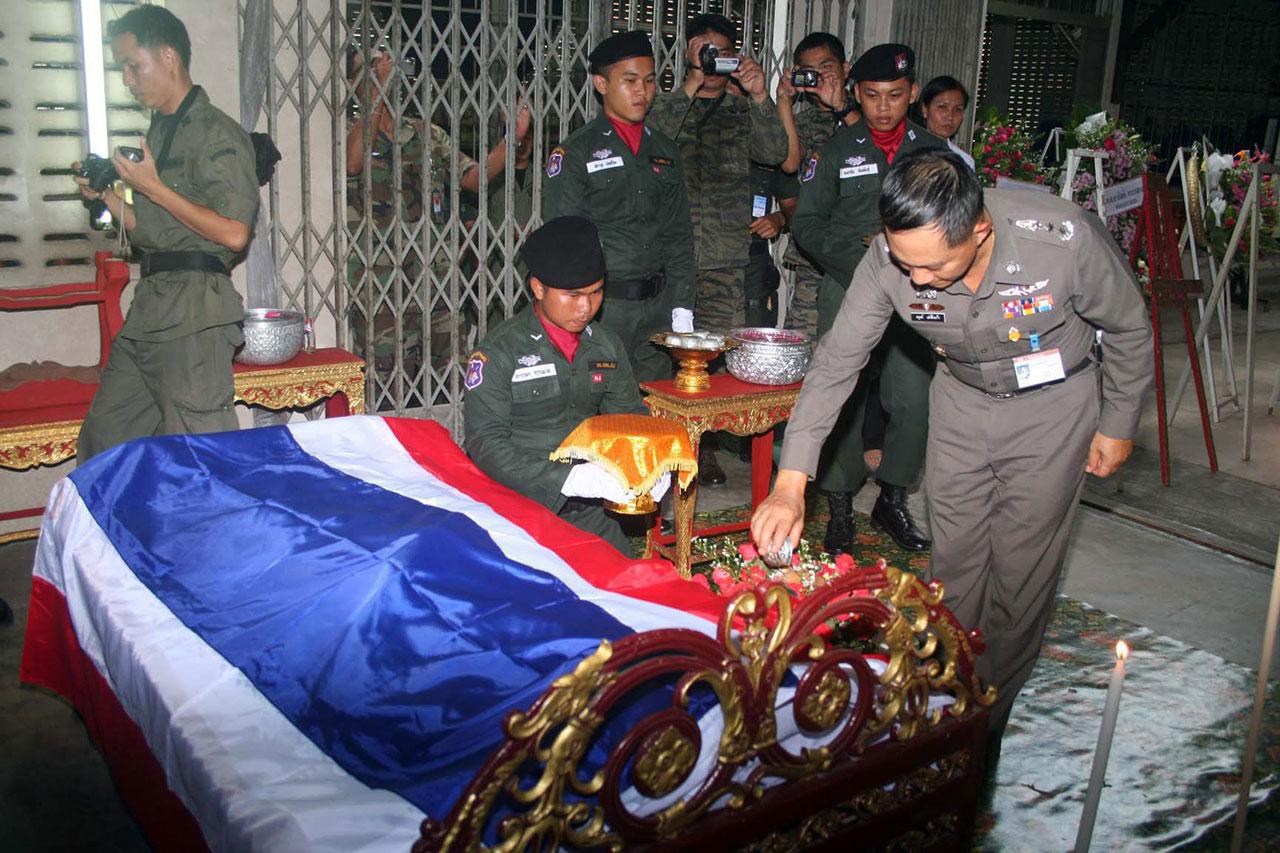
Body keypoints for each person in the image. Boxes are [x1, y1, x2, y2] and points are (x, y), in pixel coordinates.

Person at [752, 148, 1153, 763]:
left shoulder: (1061, 240)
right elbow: (836, 364)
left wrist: (1118, 423)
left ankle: (988, 716)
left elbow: (1128, 326)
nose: (915, 280)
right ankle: (946, 694)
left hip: (1052, 408)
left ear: (980, 230)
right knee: (955, 562)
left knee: (1020, 570)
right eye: (905, 263)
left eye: (932, 265)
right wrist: (790, 482)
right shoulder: (891, 258)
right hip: (963, 401)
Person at [74, 5, 258, 461]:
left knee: (200, 454)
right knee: (106, 442)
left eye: (133, 66)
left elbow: (235, 233)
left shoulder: (217, 134)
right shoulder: (159, 133)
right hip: (150, 310)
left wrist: (152, 186)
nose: (128, 80)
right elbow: (152, 230)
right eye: (123, 69)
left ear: (169, 56)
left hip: (194, 314)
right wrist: (107, 197)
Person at [791, 43, 944, 555]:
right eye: (872, 95)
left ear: (913, 93)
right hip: (848, 284)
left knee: (913, 397)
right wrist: (862, 269)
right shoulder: (836, 151)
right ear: (856, 93)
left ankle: (893, 496)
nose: (883, 106)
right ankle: (838, 503)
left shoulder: (935, 152)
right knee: (846, 396)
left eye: (894, 95)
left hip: (917, 287)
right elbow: (807, 223)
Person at [646, 12, 788, 485]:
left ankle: (703, 448)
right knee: (669, 354)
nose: (712, 61)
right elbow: (650, 141)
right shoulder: (667, 106)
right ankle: (666, 443)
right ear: (688, 53)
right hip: (672, 256)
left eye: (721, 53)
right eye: (703, 51)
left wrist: (760, 95)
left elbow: (775, 152)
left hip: (726, 257)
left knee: (715, 356)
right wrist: (691, 82)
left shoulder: (742, 110)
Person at [345, 49, 532, 405]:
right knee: (386, 382)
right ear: (353, 83)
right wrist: (375, 94)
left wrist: (513, 138)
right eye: (368, 68)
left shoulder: (427, 134)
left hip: (435, 275)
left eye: (386, 65)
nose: (381, 72)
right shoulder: (348, 134)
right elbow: (354, 163)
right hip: (379, 282)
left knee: (451, 375)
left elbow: (474, 177)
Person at [464, 217, 651, 553]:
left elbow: (629, 419)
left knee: (628, 578)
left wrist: (651, 460)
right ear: (538, 289)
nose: (586, 307)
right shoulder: (500, 351)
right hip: (515, 505)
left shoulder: (605, 345)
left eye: (596, 292)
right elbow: (486, 445)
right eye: (573, 295)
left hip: (589, 508)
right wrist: (569, 479)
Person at [542, 30, 696, 385]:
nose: (642, 91)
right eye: (630, 81)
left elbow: (678, 235)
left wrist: (682, 306)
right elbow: (565, 239)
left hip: (657, 310)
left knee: (655, 404)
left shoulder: (665, 151)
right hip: (605, 311)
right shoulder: (576, 152)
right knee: (601, 406)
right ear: (601, 84)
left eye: (649, 80)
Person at [774, 31, 858, 339]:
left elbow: (878, 149)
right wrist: (784, 100)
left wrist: (842, 107)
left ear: (845, 69)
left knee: (853, 343)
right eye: (810, 71)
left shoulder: (868, 113)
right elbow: (789, 163)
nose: (819, 77)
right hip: (815, 254)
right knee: (802, 342)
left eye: (827, 67)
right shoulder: (802, 121)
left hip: (858, 252)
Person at [916, 75, 975, 168]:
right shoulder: (906, 150)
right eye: (942, 107)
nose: (950, 116)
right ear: (925, 110)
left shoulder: (964, 162)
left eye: (958, 109)